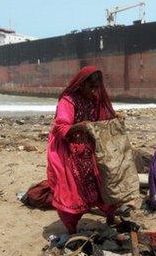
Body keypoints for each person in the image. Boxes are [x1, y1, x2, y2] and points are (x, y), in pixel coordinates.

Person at [47, 66, 123, 234]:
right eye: (91, 86)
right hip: (70, 151)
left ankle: (110, 216)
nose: (94, 90)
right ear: (81, 84)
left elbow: (100, 120)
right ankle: (71, 228)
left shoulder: (93, 100)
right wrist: (80, 127)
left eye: (96, 86)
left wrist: (113, 118)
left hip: (90, 150)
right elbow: (59, 128)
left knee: (104, 183)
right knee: (73, 191)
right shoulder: (68, 100)